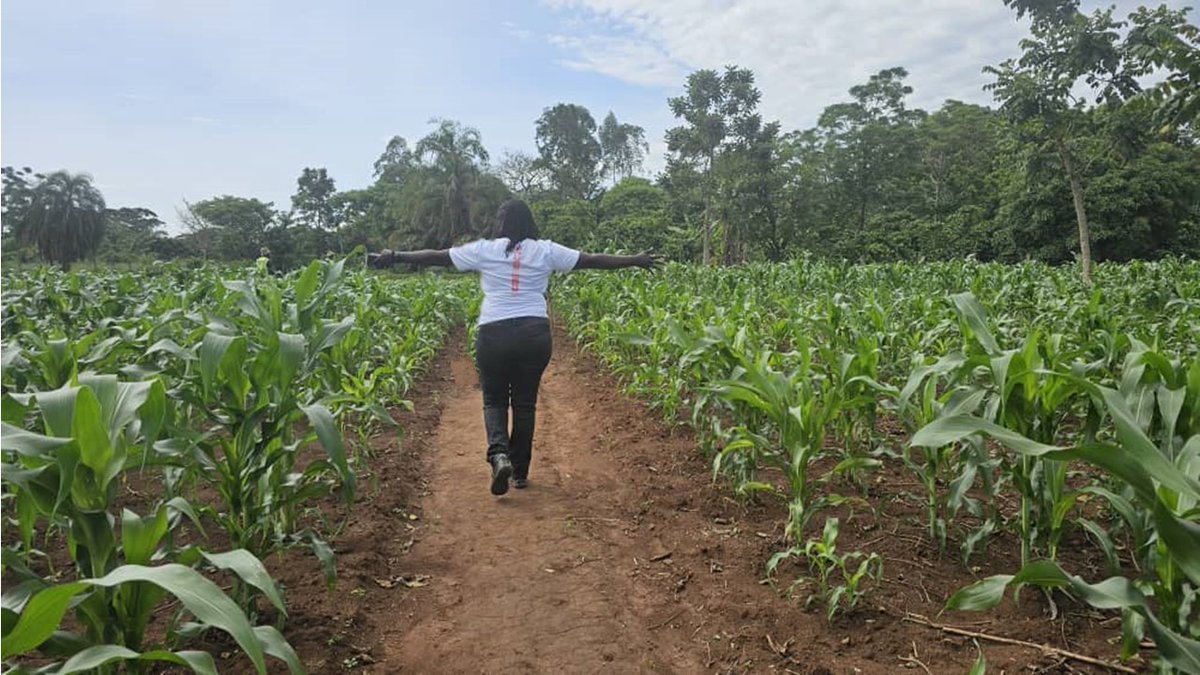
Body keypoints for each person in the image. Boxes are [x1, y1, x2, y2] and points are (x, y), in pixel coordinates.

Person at [368, 199, 657, 496]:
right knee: (524, 403)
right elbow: (592, 259)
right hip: (534, 334)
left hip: (494, 333)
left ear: (501, 223)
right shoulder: (546, 250)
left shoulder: (485, 250)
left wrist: (394, 255)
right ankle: (519, 473)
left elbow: (439, 256)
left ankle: (499, 455)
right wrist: (635, 259)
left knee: (494, 400)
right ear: (529, 222)